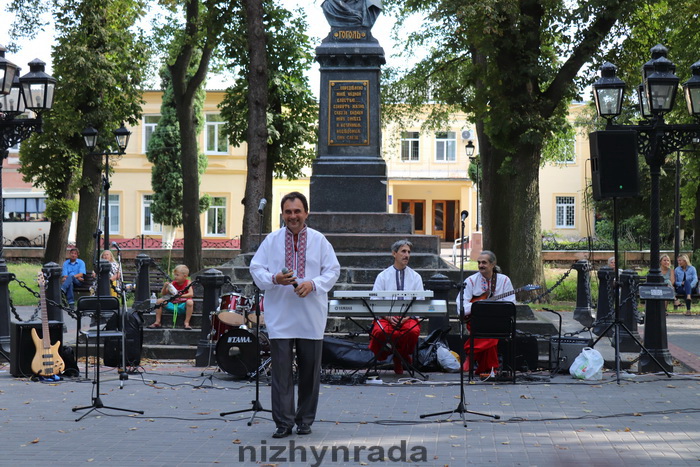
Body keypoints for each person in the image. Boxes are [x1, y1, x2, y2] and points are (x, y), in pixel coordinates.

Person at [250, 192, 340, 439]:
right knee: (280, 372)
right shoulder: (272, 240)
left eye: (297, 211)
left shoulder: (320, 241)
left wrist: (313, 284)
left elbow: (333, 270)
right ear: (282, 214)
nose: (293, 216)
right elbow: (256, 267)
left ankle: (304, 420)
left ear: (306, 213)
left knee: (310, 372)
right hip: (280, 314)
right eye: (288, 212)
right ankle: (283, 422)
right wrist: (274, 278)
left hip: (310, 315)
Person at [369, 239, 423, 375]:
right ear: (394, 253)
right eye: (403, 251)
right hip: (386, 317)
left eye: (409, 252)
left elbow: (420, 302)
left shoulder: (416, 277)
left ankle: (399, 357)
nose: (407, 255)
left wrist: (405, 317)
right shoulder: (383, 276)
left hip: (408, 316)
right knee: (380, 332)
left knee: (412, 332)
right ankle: (399, 355)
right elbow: (375, 300)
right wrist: (387, 316)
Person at [460, 250, 515, 376]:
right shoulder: (470, 281)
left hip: (498, 322)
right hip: (476, 321)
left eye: (484, 262)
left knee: (493, 329)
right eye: (479, 262)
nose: (480, 265)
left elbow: (510, 304)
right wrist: (478, 306)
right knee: (489, 332)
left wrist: (494, 310)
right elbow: (461, 305)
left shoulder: (505, 281)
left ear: (493, 264)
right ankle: (490, 369)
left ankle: (471, 352)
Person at [148, 264, 195, 330]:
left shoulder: (188, 282)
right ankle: (158, 321)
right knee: (159, 301)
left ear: (185, 276)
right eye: (174, 275)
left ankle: (186, 322)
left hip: (183, 306)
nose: (175, 277)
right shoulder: (173, 283)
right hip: (173, 305)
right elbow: (164, 294)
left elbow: (191, 294)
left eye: (177, 275)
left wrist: (180, 295)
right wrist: (165, 287)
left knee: (190, 302)